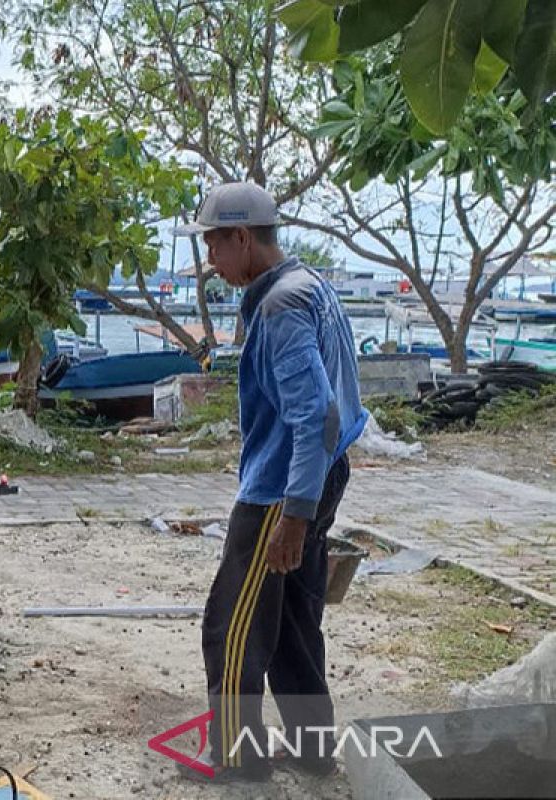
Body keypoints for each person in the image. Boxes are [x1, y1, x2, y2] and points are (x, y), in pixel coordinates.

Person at [173, 183, 367, 782]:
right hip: (322, 473)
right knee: (291, 623)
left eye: (213, 246)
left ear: (241, 237)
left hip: (282, 489)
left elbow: (315, 415)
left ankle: (236, 758)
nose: (210, 261)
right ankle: (312, 750)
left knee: (230, 627)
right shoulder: (307, 284)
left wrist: (294, 512)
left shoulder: (281, 307)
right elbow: (336, 411)